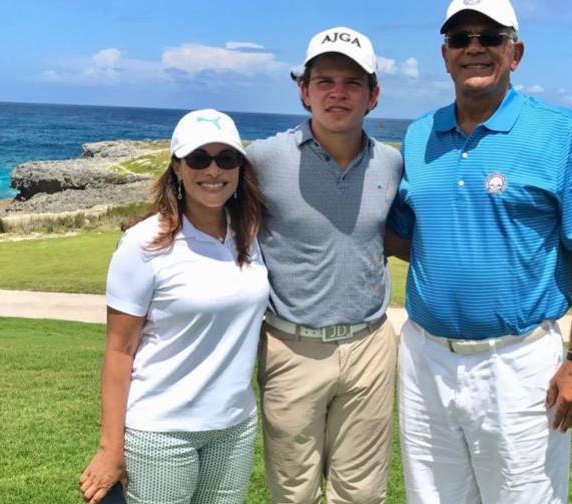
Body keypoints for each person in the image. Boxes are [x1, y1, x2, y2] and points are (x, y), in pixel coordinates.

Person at [385, 0, 572, 502]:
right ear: (444, 55)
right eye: (459, 38)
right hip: (425, 359)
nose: (474, 48)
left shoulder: (560, 131)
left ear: (516, 52)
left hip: (519, 363)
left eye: (489, 37)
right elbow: (402, 235)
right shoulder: (421, 133)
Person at [245, 26, 403, 504]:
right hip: (291, 348)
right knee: (293, 493)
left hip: (371, 345)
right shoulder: (263, 159)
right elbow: (208, 204)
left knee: (362, 493)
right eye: (325, 81)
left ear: (373, 95)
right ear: (304, 90)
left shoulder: (392, 163)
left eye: (353, 83)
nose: (339, 93)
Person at [79, 109, 269, 504]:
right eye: (199, 158)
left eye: (226, 158)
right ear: (177, 169)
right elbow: (119, 351)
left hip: (234, 427)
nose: (213, 170)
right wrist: (110, 450)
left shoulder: (250, 235)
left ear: (239, 168)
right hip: (161, 433)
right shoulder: (144, 243)